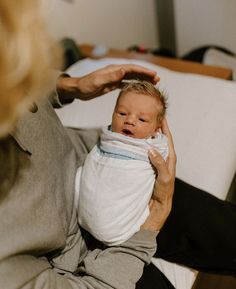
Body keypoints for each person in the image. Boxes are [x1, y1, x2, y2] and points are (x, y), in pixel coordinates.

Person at [0, 1, 235, 289]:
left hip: (95, 166)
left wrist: (69, 86)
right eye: (123, 114)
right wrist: (150, 226)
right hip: (80, 254)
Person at [77, 80, 169, 245]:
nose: (130, 121)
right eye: (122, 113)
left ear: (156, 129)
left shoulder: (152, 148)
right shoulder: (107, 140)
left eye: (142, 119)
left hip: (119, 224)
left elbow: (162, 159)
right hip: (83, 216)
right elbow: (95, 165)